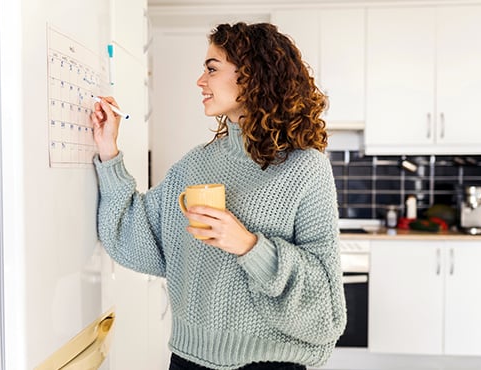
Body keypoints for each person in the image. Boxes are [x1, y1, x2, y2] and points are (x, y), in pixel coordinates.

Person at [91, 22, 346, 370]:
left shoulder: (306, 169)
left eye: (212, 69)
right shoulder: (195, 164)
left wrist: (249, 246)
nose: (200, 81)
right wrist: (109, 152)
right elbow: (133, 233)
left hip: (270, 364)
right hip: (188, 361)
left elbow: (325, 307)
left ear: (253, 75)